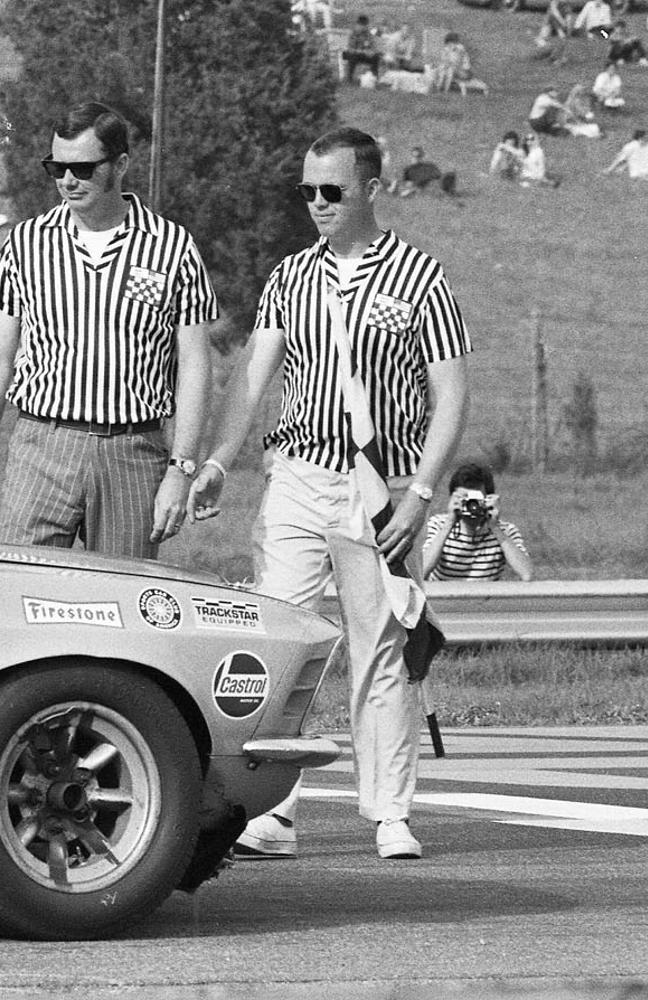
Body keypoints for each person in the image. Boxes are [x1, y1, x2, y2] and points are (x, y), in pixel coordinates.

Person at [189, 126, 471, 862]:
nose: (316, 202)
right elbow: (254, 374)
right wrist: (220, 457)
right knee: (282, 644)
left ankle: (389, 812)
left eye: (332, 190)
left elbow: (451, 396)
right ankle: (274, 811)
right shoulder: (290, 277)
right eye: (307, 190)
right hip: (298, 474)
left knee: (379, 648)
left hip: (381, 487)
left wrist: (421, 495)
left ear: (372, 188)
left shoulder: (419, 277)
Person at [0, 101, 216, 558]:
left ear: (120, 165)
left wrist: (181, 469)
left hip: (133, 452)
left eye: (82, 168)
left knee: (125, 605)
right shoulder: (27, 242)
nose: (67, 180)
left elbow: (195, 366)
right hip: (41, 446)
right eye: (56, 166)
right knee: (19, 589)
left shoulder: (173, 247)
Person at [422, 463, 535, 581]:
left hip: (485, 598)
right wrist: (449, 523)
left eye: (476, 500)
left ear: (489, 499)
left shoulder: (506, 530)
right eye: (464, 499)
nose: (472, 505)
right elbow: (421, 571)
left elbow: (527, 574)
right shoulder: (439, 524)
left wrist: (495, 527)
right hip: (443, 597)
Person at [343, 15, 384, 83]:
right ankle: (349, 79)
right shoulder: (353, 33)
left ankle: (374, 78)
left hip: (364, 54)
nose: (364, 28)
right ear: (358, 25)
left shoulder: (368, 34)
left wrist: (372, 52)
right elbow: (351, 49)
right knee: (352, 57)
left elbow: (373, 46)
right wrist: (362, 51)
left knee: (375, 57)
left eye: (365, 26)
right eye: (362, 26)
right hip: (352, 54)